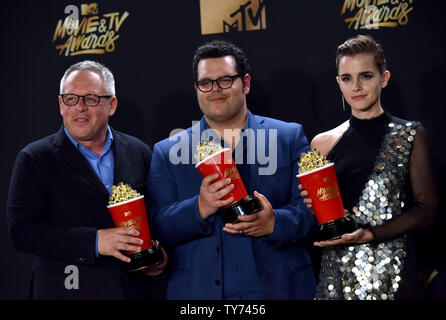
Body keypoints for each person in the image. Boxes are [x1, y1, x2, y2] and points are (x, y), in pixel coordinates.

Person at [147, 40, 317, 300]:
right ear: (196, 89)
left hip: (281, 287)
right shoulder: (168, 151)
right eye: (206, 83)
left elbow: (313, 211)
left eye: (225, 80)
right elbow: (157, 225)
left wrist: (273, 223)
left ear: (245, 83)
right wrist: (200, 207)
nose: (215, 90)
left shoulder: (288, 136)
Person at [7, 60, 167, 299]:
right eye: (71, 98)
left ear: (111, 105)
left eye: (91, 99)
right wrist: (95, 241)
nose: (79, 107)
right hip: (65, 291)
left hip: (132, 290)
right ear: (61, 105)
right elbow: (22, 231)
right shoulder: (34, 158)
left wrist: (160, 253)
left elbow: (156, 214)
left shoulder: (139, 151)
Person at [299, 35, 438, 300]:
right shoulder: (322, 143)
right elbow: (318, 218)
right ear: (339, 83)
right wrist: (312, 204)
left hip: (395, 275)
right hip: (337, 276)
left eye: (366, 76)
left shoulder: (409, 135)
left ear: (383, 78)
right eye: (347, 78)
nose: (357, 87)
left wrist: (371, 233)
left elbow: (426, 211)